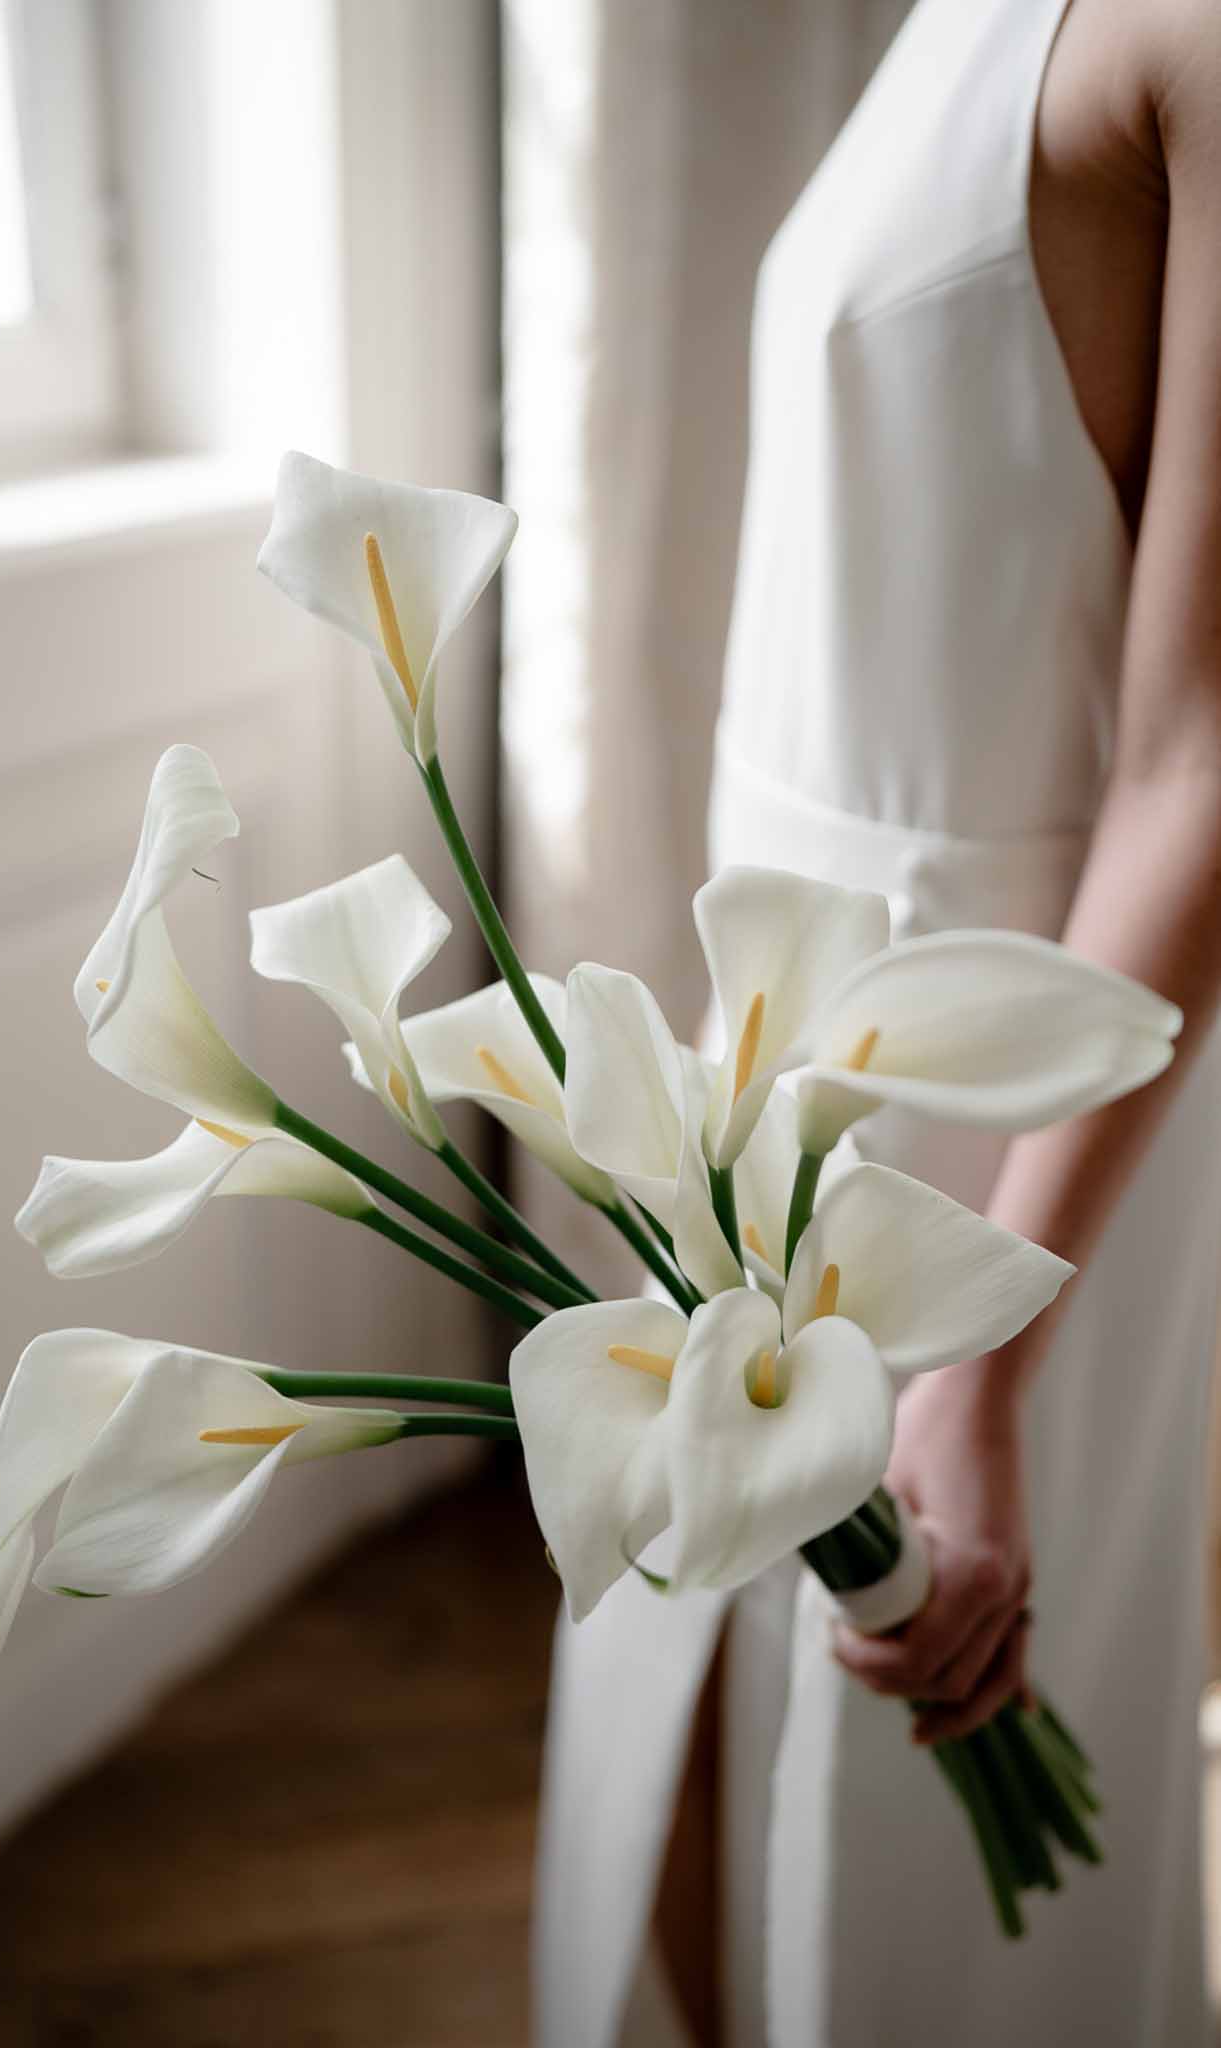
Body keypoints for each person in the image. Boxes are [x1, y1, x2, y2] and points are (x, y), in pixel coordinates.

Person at [533, 0, 1221, 2042]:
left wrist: (986, 1356)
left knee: (895, 1841)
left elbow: (1197, 755)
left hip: (998, 1093)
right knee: (665, 1716)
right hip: (773, 1052)